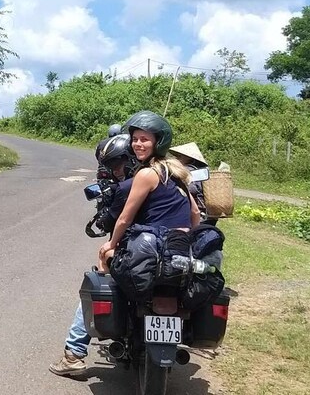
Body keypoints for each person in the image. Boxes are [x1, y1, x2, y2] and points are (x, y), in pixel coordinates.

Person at [50, 110, 199, 377]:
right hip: (180, 248)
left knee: (100, 277)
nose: (138, 144)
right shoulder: (178, 173)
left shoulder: (144, 176)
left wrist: (110, 245)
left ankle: (73, 353)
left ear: (157, 142)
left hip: (150, 247)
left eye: (144, 140)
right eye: (136, 139)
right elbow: (195, 215)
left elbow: (123, 218)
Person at [169, 142, 218, 226]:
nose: (176, 158)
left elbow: (191, 189)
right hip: (208, 216)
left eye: (180, 156)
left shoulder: (190, 171)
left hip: (199, 216)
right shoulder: (201, 170)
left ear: (189, 158)